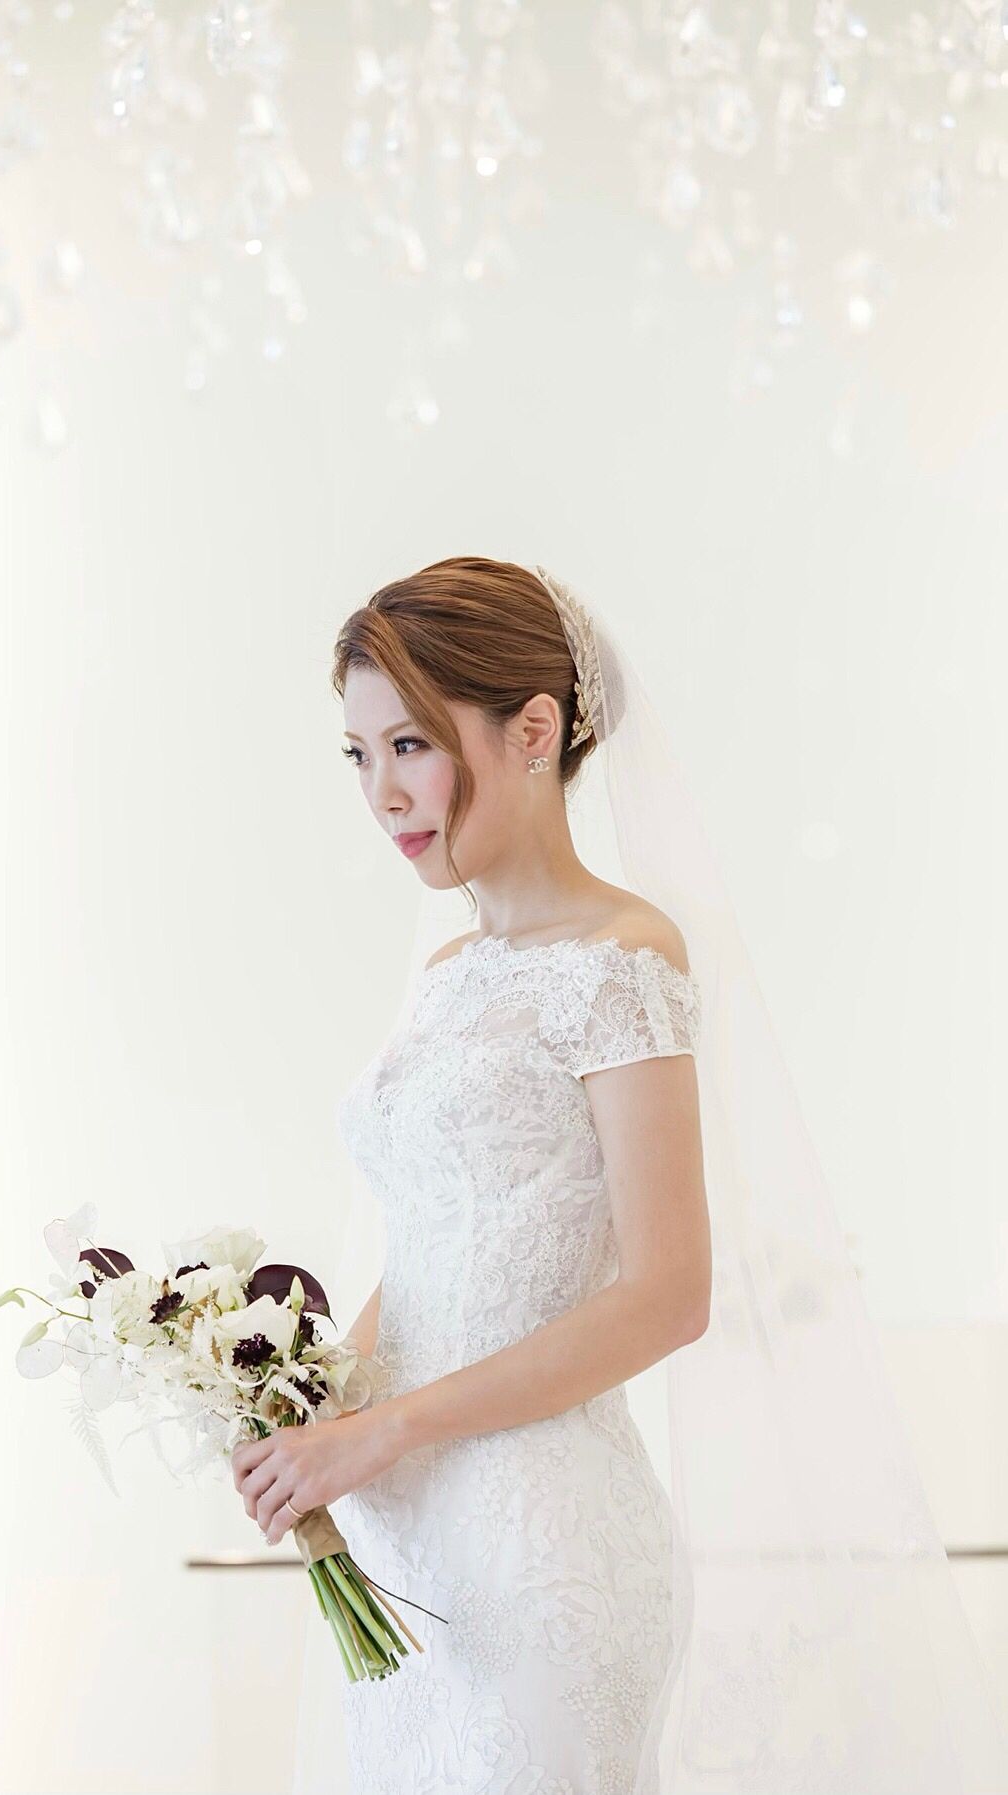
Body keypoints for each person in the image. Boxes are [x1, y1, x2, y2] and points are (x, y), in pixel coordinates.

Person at [233, 557, 1008, 1794]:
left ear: (533, 730)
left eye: (410, 745)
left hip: (542, 1549)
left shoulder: (622, 957)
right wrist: (313, 1412)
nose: (382, 793)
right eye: (358, 754)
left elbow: (664, 1294)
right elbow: (433, 1247)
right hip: (408, 1553)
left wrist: (385, 1430)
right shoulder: (444, 978)